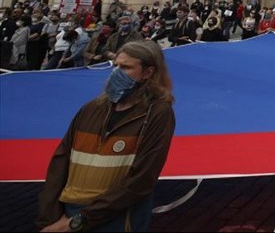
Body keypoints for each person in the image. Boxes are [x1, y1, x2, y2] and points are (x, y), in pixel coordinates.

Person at [36, 41, 175, 232]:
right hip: (68, 211)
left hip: (118, 219)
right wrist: (49, 217)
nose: (116, 72)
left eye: (126, 67)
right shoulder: (91, 109)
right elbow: (60, 162)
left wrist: (80, 221)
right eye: (116, 65)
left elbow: (142, 177)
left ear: (148, 73)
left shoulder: (157, 113)